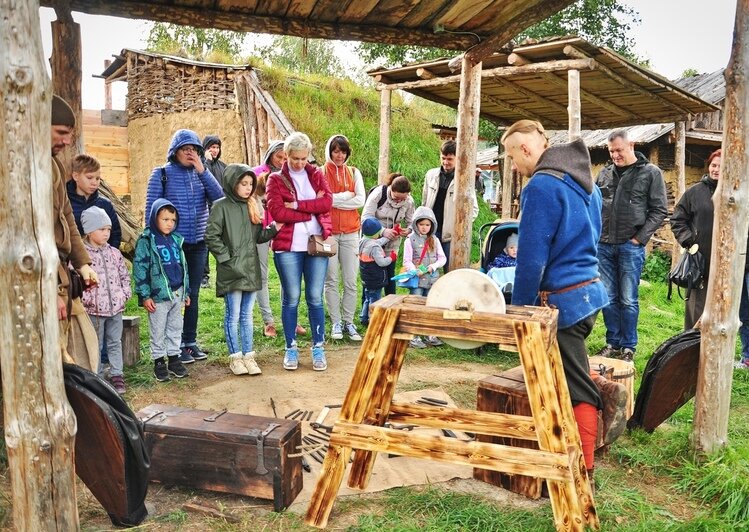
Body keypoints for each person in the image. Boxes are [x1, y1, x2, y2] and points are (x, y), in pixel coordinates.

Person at [502, 119, 626, 482]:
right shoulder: (584, 181)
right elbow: (595, 234)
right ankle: (566, 437)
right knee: (564, 369)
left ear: (526, 149)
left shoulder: (541, 184)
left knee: (575, 386)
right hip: (589, 292)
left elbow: (531, 258)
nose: (513, 166)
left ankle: (582, 471)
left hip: (562, 302)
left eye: (511, 156)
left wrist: (520, 311)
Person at [144, 129, 223, 364]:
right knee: (172, 295)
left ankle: (189, 342)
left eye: (194, 149)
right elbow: (152, 210)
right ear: (174, 151)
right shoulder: (161, 174)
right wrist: (155, 244)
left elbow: (218, 197)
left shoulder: (202, 173)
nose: (190, 153)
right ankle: (172, 345)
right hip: (171, 246)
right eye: (185, 149)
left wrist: (202, 169)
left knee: (193, 294)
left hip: (198, 242)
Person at [595, 129, 668, 362]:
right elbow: (593, 205)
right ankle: (612, 342)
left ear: (631, 145)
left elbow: (659, 211)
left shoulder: (650, 173)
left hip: (630, 246)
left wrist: (639, 239)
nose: (615, 155)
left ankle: (628, 347)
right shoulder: (603, 174)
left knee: (628, 298)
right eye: (611, 151)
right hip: (604, 245)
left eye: (619, 150)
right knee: (608, 297)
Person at [265, 132, 333, 372]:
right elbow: (278, 213)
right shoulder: (275, 180)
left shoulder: (315, 174)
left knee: (315, 297)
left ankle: (318, 346)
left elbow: (327, 203)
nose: (300, 163)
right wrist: (311, 210)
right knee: (291, 298)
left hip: (316, 244)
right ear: (286, 155)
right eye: (295, 158)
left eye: (304, 158)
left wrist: (297, 206)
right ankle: (290, 347)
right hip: (288, 247)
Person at [206, 164, 279, 376]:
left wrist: (274, 228)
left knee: (247, 316)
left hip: (250, 269)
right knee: (233, 315)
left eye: (250, 184)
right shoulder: (220, 207)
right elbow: (211, 236)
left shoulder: (252, 205)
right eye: (243, 184)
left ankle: (249, 356)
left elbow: (258, 237)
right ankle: (235, 358)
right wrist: (227, 258)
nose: (248, 188)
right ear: (232, 183)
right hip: (231, 271)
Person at [51, 95, 100, 371]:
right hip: (43, 281)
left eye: (69, 135)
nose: (67, 142)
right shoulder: (23, 166)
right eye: (61, 133)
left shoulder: (55, 165)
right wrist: (51, 292)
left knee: (83, 351)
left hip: (61, 275)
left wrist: (83, 264)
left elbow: (66, 217)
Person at [133, 199, 190, 382]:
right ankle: (159, 361)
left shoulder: (175, 240)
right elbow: (140, 269)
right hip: (157, 296)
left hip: (177, 292)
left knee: (175, 327)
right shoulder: (146, 240)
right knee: (157, 329)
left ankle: (174, 358)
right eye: (165, 219)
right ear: (154, 217)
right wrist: (145, 295)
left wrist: (185, 291)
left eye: (173, 220)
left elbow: (183, 267)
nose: (169, 223)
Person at [253, 140, 306, 338]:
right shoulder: (257, 173)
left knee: (289, 277)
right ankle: (268, 321)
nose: (282, 161)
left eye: (285, 157)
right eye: (279, 157)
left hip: (285, 229)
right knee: (263, 275)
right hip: (260, 230)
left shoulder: (292, 177)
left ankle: (291, 320)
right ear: (269, 156)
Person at [80, 207, 131, 394]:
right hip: (94, 311)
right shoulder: (82, 257)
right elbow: (77, 280)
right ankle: (97, 377)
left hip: (116, 308)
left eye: (108, 229)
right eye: (101, 229)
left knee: (114, 342)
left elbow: (124, 276)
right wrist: (87, 301)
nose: (106, 234)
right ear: (89, 230)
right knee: (96, 344)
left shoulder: (114, 253)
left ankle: (117, 375)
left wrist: (124, 294)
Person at [670, 149, 721, 329]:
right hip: (700, 261)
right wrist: (690, 242)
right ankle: (691, 351)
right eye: (714, 165)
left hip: (725, 263)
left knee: (721, 311)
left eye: (721, 167)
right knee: (696, 311)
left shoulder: (735, 195)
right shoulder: (695, 192)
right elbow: (677, 219)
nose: (716, 170)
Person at [322, 134, 365, 342]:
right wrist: (345, 196)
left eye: (343, 151)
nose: (339, 155)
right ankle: (336, 322)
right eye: (336, 151)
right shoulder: (320, 172)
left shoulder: (354, 172)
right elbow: (320, 201)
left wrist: (333, 200)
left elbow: (360, 200)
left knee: (350, 280)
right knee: (331, 280)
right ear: (329, 151)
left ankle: (349, 321)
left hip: (350, 233)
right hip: (327, 233)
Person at [421, 139, 479, 272]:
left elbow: (473, 210)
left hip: (450, 235)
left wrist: (459, 228)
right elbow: (424, 202)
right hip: (430, 230)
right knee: (426, 268)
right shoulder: (431, 175)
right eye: (443, 158)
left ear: (457, 159)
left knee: (451, 270)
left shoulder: (464, 179)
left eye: (449, 159)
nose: (446, 162)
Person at [361, 173, 415, 296]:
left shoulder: (409, 201)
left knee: (390, 275)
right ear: (391, 189)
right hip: (373, 240)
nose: (399, 201)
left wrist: (408, 230)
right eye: (396, 198)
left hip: (392, 243)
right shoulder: (378, 194)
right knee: (371, 276)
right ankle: (367, 308)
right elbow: (365, 218)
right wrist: (383, 231)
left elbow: (412, 222)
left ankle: (390, 304)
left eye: (402, 198)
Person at [402, 206, 446, 349]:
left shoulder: (435, 240)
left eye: (427, 225)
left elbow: (442, 258)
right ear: (416, 224)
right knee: (415, 307)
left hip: (432, 278)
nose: (424, 228)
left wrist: (432, 267)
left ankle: (430, 333)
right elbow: (407, 260)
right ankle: (414, 336)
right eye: (421, 224)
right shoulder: (410, 240)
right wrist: (414, 270)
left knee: (431, 306)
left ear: (432, 225)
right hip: (417, 280)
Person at [66, 154, 122, 249]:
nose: (94, 182)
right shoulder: (65, 204)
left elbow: (115, 234)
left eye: (97, 178)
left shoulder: (105, 204)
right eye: (89, 177)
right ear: (76, 176)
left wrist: (109, 257)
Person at [200, 135, 228, 289]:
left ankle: (223, 274)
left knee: (221, 244)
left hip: (220, 211)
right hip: (205, 211)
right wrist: (207, 161)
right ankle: (204, 277)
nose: (214, 150)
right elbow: (205, 179)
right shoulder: (201, 165)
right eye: (211, 147)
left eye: (217, 147)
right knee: (204, 244)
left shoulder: (223, 167)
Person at [359, 218, 397, 326]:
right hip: (375, 278)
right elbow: (381, 262)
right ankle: (374, 321)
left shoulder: (363, 241)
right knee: (375, 301)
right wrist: (391, 258)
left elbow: (378, 241)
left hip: (366, 278)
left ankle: (364, 318)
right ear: (376, 234)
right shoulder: (375, 247)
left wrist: (388, 237)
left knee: (367, 298)